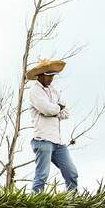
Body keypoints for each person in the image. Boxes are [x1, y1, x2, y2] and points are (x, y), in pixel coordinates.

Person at [26, 59, 78, 193]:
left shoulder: (53, 91)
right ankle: (36, 203)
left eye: (53, 76)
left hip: (58, 141)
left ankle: (72, 202)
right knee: (42, 176)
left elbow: (66, 112)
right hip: (43, 140)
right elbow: (47, 109)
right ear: (42, 75)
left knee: (71, 173)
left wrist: (55, 110)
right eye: (49, 76)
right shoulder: (34, 91)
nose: (51, 79)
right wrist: (57, 108)